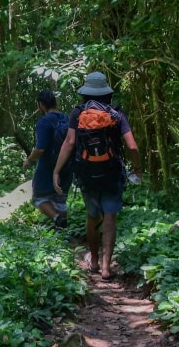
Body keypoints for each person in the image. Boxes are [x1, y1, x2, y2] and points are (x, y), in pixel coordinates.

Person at [53, 72, 142, 281]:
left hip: (87, 174)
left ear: (86, 93)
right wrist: (137, 168)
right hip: (111, 173)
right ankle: (105, 267)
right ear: (106, 93)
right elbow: (132, 146)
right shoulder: (117, 113)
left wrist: (56, 170)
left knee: (92, 216)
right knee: (110, 217)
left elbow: (69, 143)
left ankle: (93, 261)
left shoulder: (77, 113)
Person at [23, 90, 72, 229]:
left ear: (41, 105)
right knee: (60, 199)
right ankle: (63, 231)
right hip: (66, 165)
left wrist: (29, 160)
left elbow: (40, 149)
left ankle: (57, 219)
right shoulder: (66, 118)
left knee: (38, 198)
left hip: (48, 167)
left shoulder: (44, 122)